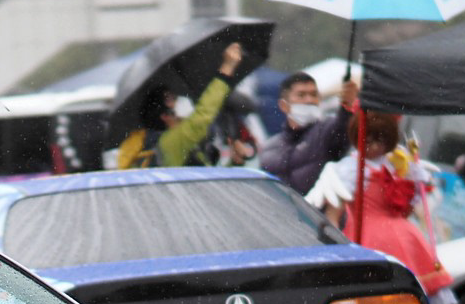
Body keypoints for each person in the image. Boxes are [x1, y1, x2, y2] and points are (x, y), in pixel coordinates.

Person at [308, 111, 454, 304]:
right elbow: (333, 214)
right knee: (375, 302)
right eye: (368, 141)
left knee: (411, 301)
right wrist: (336, 246)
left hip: (404, 237)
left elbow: (405, 210)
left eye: (380, 141)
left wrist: (412, 183)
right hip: (367, 240)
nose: (375, 147)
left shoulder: (397, 163)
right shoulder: (349, 169)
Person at [116, 41, 242, 170]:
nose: (178, 101)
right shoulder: (172, 141)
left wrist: (234, 162)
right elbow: (203, 115)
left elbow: (207, 175)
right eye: (171, 99)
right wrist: (227, 69)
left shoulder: (170, 144)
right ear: (165, 116)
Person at [258, 71, 360, 195]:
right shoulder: (269, 148)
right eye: (301, 95)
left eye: (313, 94)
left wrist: (346, 108)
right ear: (284, 105)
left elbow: (341, 129)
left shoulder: (325, 132)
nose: (309, 100)